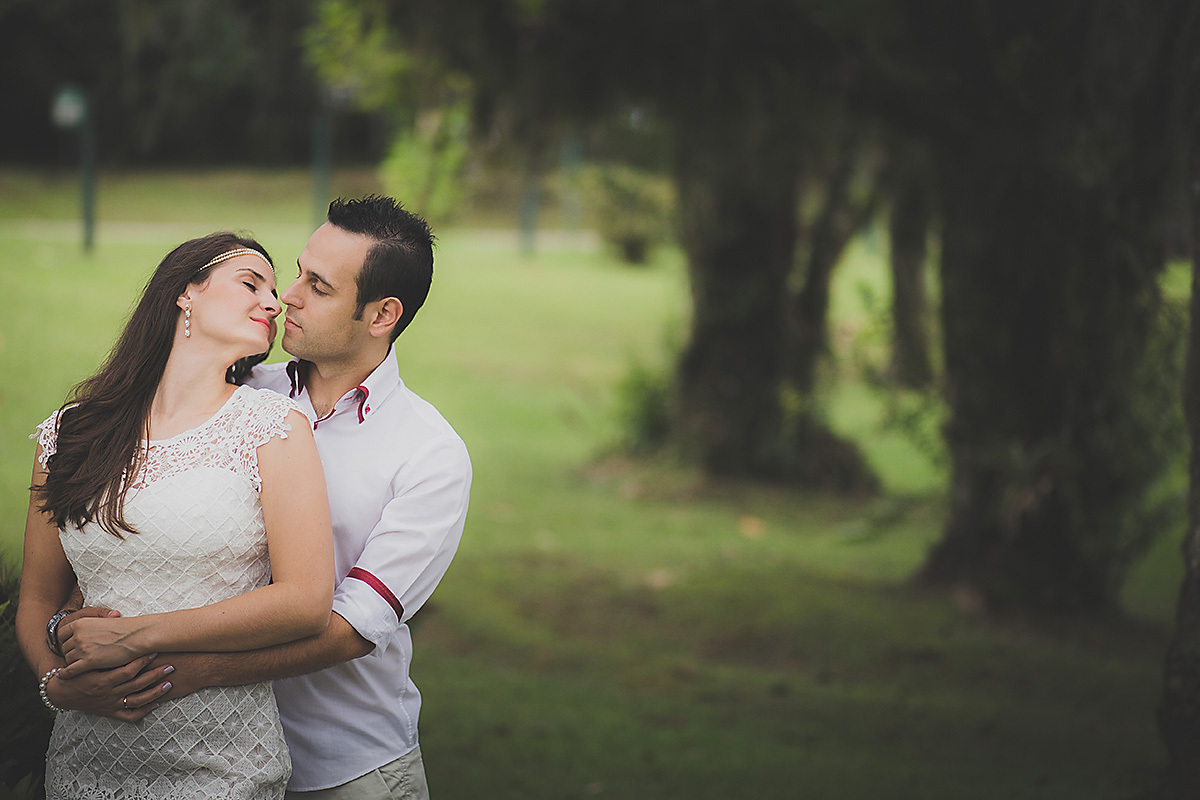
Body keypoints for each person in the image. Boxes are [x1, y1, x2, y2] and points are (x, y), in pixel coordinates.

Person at [46, 196, 472, 800]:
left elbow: (348, 629)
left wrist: (174, 670)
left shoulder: (430, 455)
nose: (287, 297)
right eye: (297, 271)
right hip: (191, 752)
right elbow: (145, 531)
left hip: (345, 765)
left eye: (318, 287)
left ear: (381, 316)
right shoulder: (235, 396)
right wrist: (69, 629)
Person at [16, 232, 336, 799]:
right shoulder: (71, 433)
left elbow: (305, 602)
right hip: (84, 760)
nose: (274, 300)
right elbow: (39, 599)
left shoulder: (273, 427)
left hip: (221, 764)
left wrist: (135, 638)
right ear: (186, 292)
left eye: (272, 289)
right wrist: (55, 685)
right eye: (250, 283)